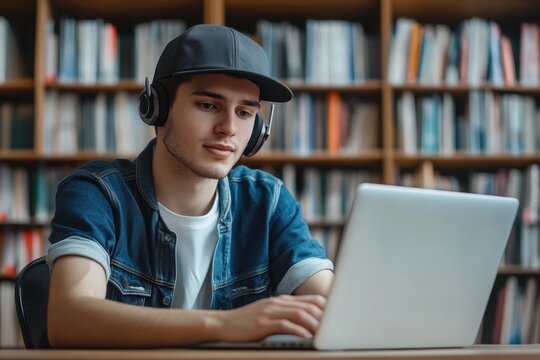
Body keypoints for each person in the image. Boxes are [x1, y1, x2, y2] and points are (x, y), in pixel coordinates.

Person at [46, 24, 334, 348]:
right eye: (208, 105)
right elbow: (68, 318)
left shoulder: (268, 201)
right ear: (157, 108)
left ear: (258, 130)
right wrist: (225, 325)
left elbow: (338, 312)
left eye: (244, 112)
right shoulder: (98, 193)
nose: (228, 129)